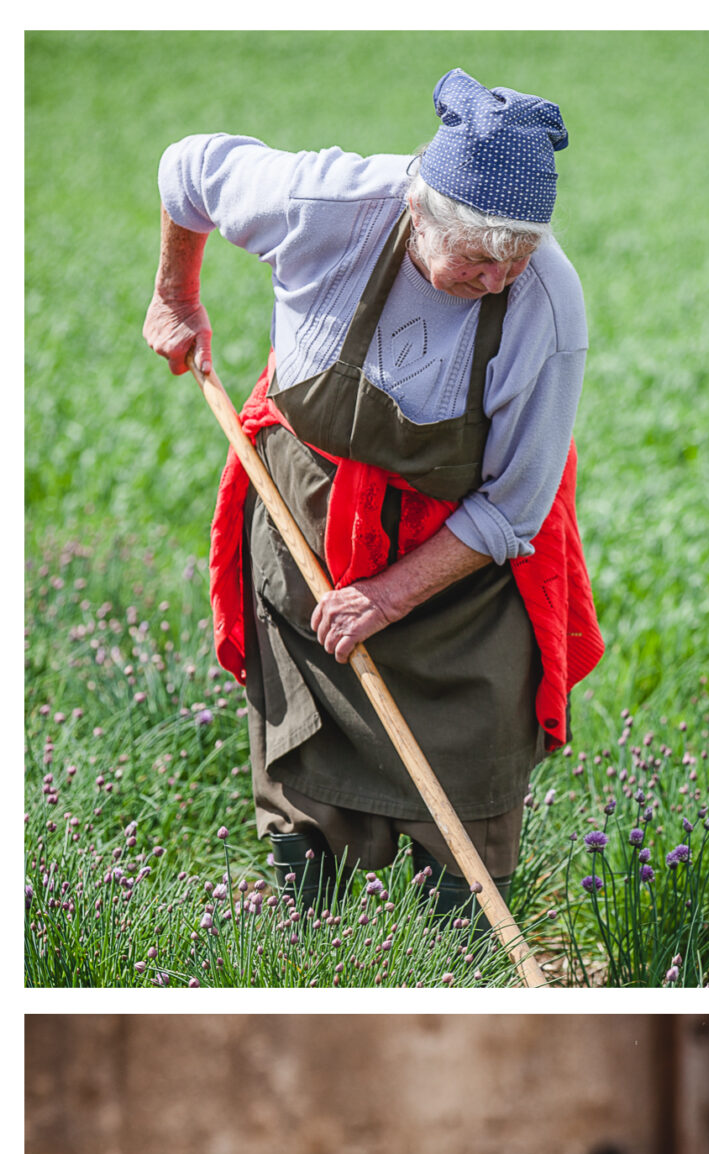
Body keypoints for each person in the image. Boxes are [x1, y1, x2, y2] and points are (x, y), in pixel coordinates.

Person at [148, 68, 603, 918]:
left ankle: (455, 951)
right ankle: (305, 930)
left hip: (459, 568)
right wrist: (176, 295)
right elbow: (190, 168)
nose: (498, 281)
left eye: (518, 257)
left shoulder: (548, 304)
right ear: (418, 208)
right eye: (476, 260)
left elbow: (515, 508)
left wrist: (387, 597)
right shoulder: (324, 203)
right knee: (301, 749)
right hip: (307, 530)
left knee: (470, 765)